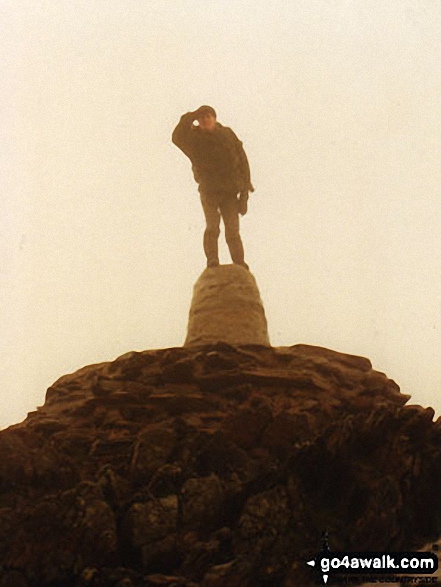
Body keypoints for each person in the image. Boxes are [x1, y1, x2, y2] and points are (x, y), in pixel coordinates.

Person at [172, 105, 254, 269]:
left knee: (232, 231)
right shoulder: (194, 140)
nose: (205, 120)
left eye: (208, 116)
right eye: (201, 118)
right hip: (209, 192)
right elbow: (177, 137)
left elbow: (243, 163)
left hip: (230, 192)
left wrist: (244, 194)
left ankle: (239, 263)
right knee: (212, 228)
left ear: (215, 119)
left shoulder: (227, 135)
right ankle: (212, 261)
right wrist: (192, 114)